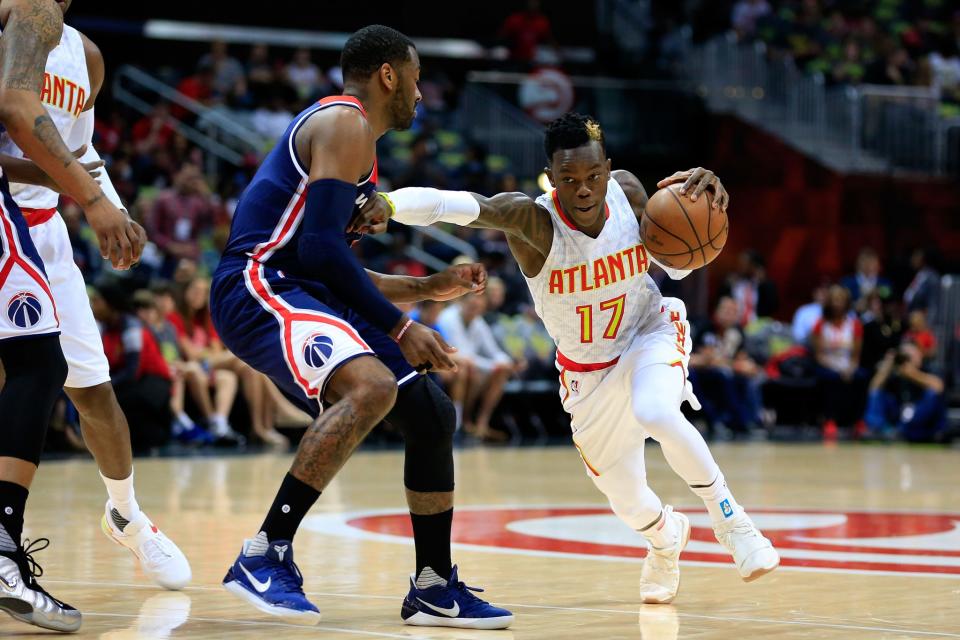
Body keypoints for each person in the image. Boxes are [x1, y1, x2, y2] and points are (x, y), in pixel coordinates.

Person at [372, 112, 780, 606]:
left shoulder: (629, 193)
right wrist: (388, 203)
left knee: (656, 410)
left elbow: (676, 257)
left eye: (592, 176)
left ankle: (732, 522)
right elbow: (451, 204)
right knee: (627, 502)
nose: (583, 189)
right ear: (552, 177)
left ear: (608, 168)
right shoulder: (532, 221)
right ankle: (666, 539)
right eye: (568, 180)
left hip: (648, 330)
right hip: (587, 375)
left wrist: (706, 197)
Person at [210, 25, 512, 628]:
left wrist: (425, 289)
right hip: (258, 285)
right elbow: (319, 253)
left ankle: (432, 585)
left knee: (430, 411)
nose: (422, 95)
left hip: (299, 287)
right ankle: (264, 553)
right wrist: (403, 328)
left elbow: (331, 266)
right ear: (389, 76)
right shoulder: (345, 122)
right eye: (418, 79)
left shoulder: (356, 148)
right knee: (372, 387)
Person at [0, 0, 190, 600]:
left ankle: (126, 513)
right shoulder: (10, 27)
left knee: (93, 391)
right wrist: (84, 194)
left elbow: (80, 154)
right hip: (10, 217)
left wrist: (115, 210)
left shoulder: (85, 55)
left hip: (47, 232)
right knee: (30, 374)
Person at [437, 293, 519, 442]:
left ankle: (482, 424)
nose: (475, 310)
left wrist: (506, 362)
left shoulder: (477, 321)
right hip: (447, 364)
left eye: (479, 307)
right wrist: (494, 365)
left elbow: (493, 351)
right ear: (461, 302)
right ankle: (460, 422)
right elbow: (462, 355)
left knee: (502, 371)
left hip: (470, 365)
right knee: (469, 371)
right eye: (472, 305)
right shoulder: (448, 318)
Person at [811, 285, 868, 439]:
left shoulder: (854, 324)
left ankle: (858, 421)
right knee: (831, 379)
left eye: (840, 300)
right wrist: (835, 368)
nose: (837, 303)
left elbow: (856, 356)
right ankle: (829, 420)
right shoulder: (820, 324)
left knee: (861, 377)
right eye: (834, 300)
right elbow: (818, 355)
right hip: (827, 364)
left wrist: (850, 369)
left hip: (847, 364)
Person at [865, 344, 946, 442]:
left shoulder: (930, 368)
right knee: (877, 394)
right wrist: (887, 366)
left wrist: (913, 373)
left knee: (931, 394)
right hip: (901, 413)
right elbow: (873, 388)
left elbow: (938, 386)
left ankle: (902, 432)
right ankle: (875, 430)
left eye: (911, 356)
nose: (907, 361)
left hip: (922, 417)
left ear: (920, 355)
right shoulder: (897, 373)